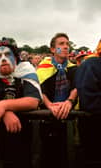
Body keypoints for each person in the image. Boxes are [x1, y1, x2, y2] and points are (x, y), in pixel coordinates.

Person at [0, 40, 42, 168]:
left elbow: (33, 100)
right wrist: (6, 112)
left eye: (7, 54)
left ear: (16, 58)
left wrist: (3, 106)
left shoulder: (26, 70)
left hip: (25, 134)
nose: (4, 58)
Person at [36, 33, 77, 168]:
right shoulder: (43, 67)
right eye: (61, 44)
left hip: (68, 117)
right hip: (47, 117)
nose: (66, 47)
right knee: (46, 156)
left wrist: (69, 102)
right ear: (53, 49)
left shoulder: (73, 68)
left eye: (67, 44)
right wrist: (50, 105)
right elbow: (40, 89)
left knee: (67, 156)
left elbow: (77, 87)